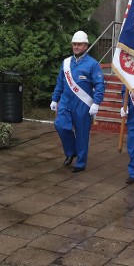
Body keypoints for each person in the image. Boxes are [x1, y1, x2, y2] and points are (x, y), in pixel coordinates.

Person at [51, 31, 105, 173]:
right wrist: (55, 99)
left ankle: (80, 163)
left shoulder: (93, 64)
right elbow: (60, 82)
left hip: (83, 104)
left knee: (82, 134)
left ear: (86, 46)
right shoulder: (66, 63)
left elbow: (100, 84)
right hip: (66, 101)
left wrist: (96, 103)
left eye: (79, 44)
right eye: (74, 44)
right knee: (61, 125)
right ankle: (70, 152)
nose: (76, 46)